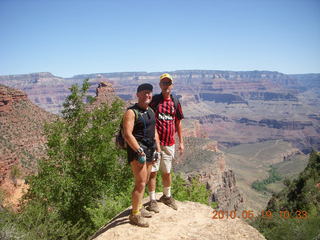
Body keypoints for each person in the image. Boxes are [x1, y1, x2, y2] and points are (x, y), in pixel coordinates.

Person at [122, 83, 161, 227]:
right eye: (144, 93)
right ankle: (135, 215)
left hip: (151, 150)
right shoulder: (131, 112)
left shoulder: (151, 111)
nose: (147, 95)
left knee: (145, 180)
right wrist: (139, 151)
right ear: (137, 94)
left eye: (149, 93)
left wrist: (158, 149)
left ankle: (138, 207)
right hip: (138, 151)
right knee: (140, 183)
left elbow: (154, 131)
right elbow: (127, 134)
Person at [147, 73, 184, 213]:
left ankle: (166, 196)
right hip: (154, 143)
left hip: (169, 143)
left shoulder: (175, 101)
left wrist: (181, 142)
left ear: (171, 85)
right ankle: (151, 200)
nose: (166, 85)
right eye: (163, 83)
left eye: (168, 83)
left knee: (167, 172)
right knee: (153, 172)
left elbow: (178, 123)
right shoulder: (155, 100)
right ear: (160, 85)